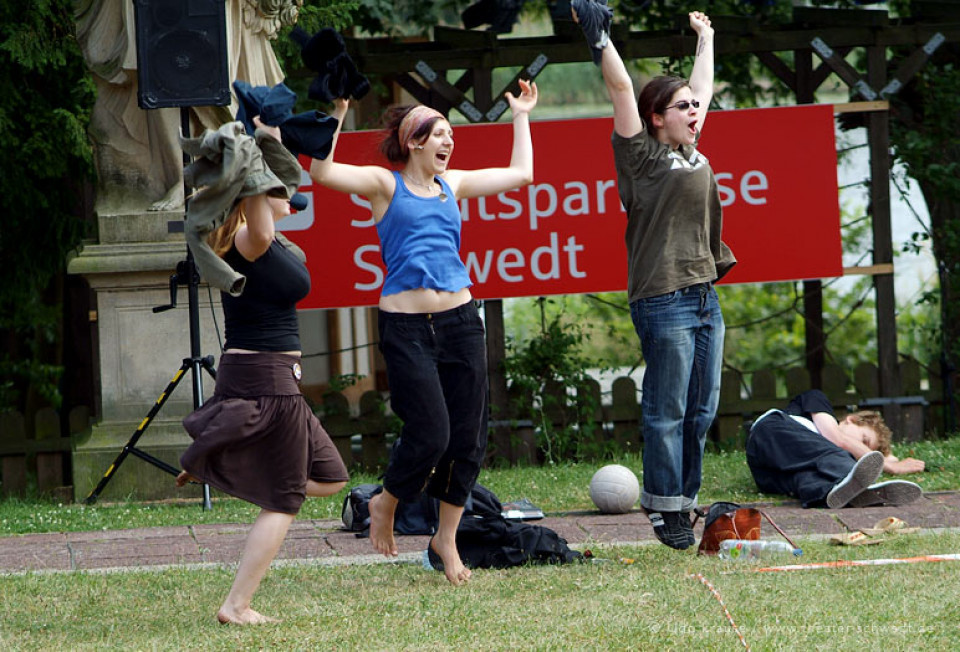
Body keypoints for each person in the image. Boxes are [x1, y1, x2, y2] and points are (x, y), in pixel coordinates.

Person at [309, 80, 539, 585]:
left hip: (461, 322)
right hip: (407, 328)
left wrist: (520, 114)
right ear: (414, 141)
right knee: (430, 432)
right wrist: (337, 113)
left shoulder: (450, 186)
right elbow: (321, 171)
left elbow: (522, 173)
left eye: (451, 135)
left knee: (468, 440)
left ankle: (446, 540)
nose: (448, 142)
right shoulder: (384, 185)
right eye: (439, 134)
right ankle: (386, 500)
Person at [571, 2, 736, 549]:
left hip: (704, 295)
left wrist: (705, 39)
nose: (694, 109)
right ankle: (665, 509)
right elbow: (621, 91)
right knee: (667, 408)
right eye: (682, 106)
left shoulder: (693, 150)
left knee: (702, 407)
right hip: (662, 299)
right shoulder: (640, 157)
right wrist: (601, 39)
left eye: (695, 105)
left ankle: (684, 501)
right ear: (656, 117)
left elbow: (703, 86)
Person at [176, 117, 349, 625]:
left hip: (273, 381)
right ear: (255, 195)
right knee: (286, 497)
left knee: (331, 477)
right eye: (278, 193)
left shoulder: (268, 247)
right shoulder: (249, 241)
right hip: (267, 381)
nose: (288, 199)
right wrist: (249, 154)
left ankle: (228, 461)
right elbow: (262, 202)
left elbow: (281, 181)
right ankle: (237, 604)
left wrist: (269, 135)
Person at [746, 389, 925, 509]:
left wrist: (887, 456)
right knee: (837, 452)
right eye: (864, 440)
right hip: (770, 433)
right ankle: (861, 487)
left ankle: (845, 494)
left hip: (768, 475)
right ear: (852, 420)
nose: (860, 450)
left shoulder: (825, 460)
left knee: (810, 481)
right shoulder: (816, 399)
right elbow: (837, 440)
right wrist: (890, 465)